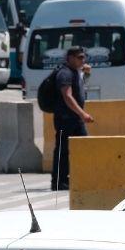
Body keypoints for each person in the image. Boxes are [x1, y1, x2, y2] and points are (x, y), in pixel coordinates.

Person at [49, 46, 94, 192]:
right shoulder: (65, 73)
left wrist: (86, 75)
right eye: (80, 57)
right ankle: (58, 181)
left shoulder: (76, 72)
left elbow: (80, 89)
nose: (83, 60)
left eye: (83, 57)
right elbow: (67, 96)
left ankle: (74, 178)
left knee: (83, 148)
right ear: (70, 58)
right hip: (65, 118)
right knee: (62, 150)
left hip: (75, 119)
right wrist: (83, 114)